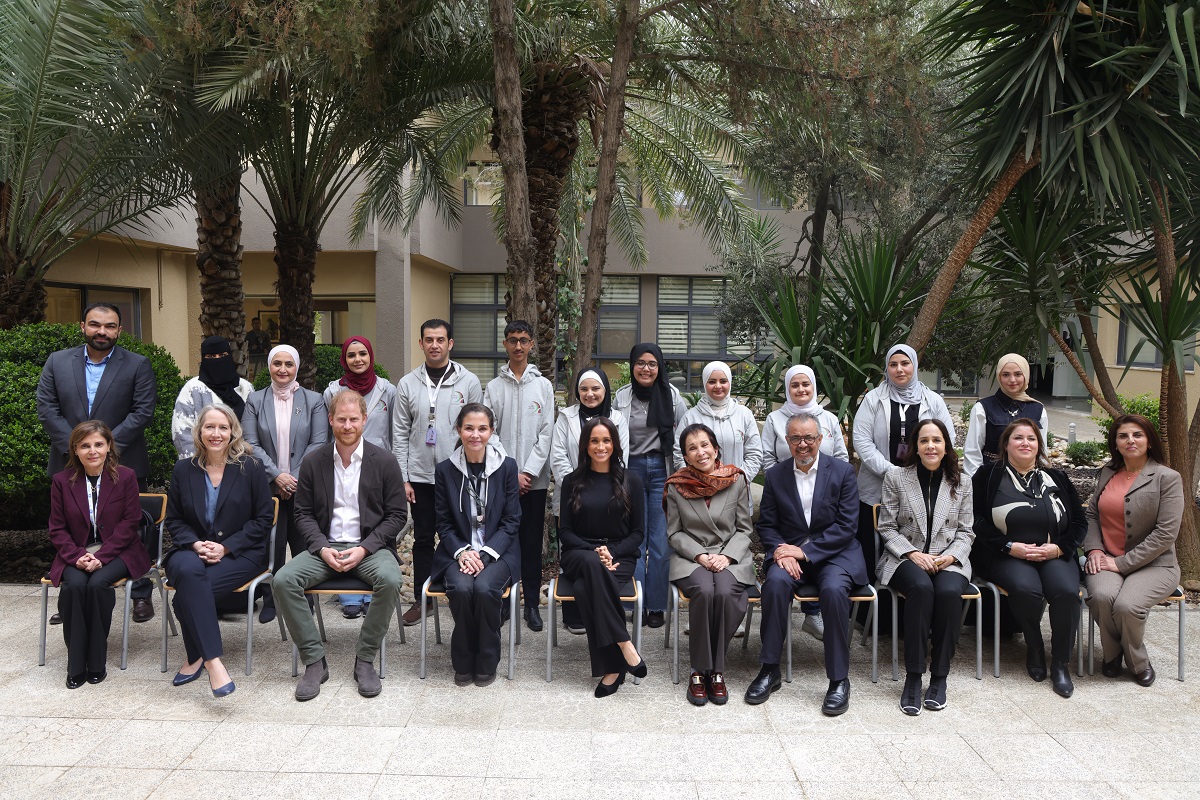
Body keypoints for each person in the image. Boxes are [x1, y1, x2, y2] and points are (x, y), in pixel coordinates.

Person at [277, 389, 407, 701]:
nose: (347, 426)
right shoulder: (313, 462)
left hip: (369, 546)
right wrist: (321, 547)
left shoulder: (385, 461)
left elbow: (397, 515)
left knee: (390, 580)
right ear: (331, 420)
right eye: (341, 419)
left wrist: (365, 548)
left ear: (364, 419)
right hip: (325, 546)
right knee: (283, 580)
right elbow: (303, 513)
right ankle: (314, 660)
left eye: (353, 419)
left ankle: (365, 659)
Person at [37, 302, 157, 624]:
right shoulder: (57, 362)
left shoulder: (137, 364)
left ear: (119, 330)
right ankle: (72, 598)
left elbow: (142, 411)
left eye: (109, 326)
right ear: (82, 326)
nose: (101, 331)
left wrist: (107, 450)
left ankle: (140, 593)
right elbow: (47, 408)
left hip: (125, 463)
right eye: (95, 325)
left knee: (133, 530)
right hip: (69, 462)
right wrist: (79, 448)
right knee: (72, 527)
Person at [746, 412, 868, 716]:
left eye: (809, 438)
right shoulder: (775, 475)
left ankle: (839, 679)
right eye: (796, 438)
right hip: (788, 555)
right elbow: (768, 525)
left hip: (835, 555)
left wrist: (804, 552)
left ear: (820, 439)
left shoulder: (842, 472)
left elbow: (846, 526)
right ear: (787, 441)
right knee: (773, 584)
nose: (803, 444)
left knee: (834, 591)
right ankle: (769, 669)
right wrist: (780, 551)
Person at [164, 405, 273, 697]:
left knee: (187, 595)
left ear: (232, 432)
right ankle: (214, 663)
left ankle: (196, 655)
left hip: (241, 552)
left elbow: (263, 519)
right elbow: (174, 519)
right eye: (209, 427)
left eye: (222, 427)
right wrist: (196, 544)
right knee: (188, 572)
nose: (216, 434)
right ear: (199, 431)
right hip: (191, 549)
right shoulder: (184, 469)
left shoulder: (250, 468)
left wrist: (226, 547)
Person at [972, 418, 1086, 698]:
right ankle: (1034, 647)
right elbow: (974, 520)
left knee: (1066, 592)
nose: (1025, 443)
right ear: (1006, 444)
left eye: (1031, 439)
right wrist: (1009, 545)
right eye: (1018, 438)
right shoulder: (987, 476)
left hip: (1053, 553)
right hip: (1006, 554)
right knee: (1027, 589)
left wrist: (1059, 548)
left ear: (1039, 445)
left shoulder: (1056, 477)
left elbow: (1080, 522)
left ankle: (1060, 663)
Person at [877, 419, 974, 714]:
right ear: (915, 447)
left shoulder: (963, 481)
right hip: (905, 557)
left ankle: (940, 678)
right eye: (924, 441)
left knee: (947, 593)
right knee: (920, 587)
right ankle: (914, 677)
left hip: (949, 558)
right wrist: (912, 554)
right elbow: (886, 527)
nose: (930, 446)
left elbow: (966, 531)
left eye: (937, 440)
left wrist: (951, 556)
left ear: (946, 446)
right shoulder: (896, 477)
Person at [47, 421, 152, 688]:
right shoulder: (62, 481)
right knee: (73, 587)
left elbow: (130, 523)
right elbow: (57, 528)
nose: (92, 451)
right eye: (85, 445)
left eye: (98, 444)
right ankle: (75, 663)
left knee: (96, 585)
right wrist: (77, 556)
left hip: (118, 550)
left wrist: (102, 556)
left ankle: (96, 660)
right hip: (76, 552)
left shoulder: (125, 476)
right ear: (75, 449)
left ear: (108, 447)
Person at [393, 319, 482, 625]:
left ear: (450, 343)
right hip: (419, 477)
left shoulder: (468, 381)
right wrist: (403, 477)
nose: (434, 345)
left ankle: (460, 593)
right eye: (428, 340)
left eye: (440, 340)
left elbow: (475, 430)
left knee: (460, 535)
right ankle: (422, 600)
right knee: (422, 538)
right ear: (421, 344)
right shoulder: (408, 383)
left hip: (457, 474)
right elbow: (400, 433)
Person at [1083, 414, 1183, 688]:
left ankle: (1137, 661)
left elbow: (1166, 533)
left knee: (1127, 606)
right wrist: (1093, 550)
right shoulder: (1107, 473)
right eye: (1123, 436)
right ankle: (1112, 656)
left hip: (1156, 566)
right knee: (1102, 596)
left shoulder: (1168, 478)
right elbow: (1092, 515)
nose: (1130, 441)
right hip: (1105, 559)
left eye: (1137, 435)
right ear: (1115, 443)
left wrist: (1122, 563)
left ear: (1149, 440)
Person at [665, 423, 755, 706]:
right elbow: (674, 533)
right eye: (692, 448)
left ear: (716, 449)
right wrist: (700, 556)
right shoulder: (677, 486)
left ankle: (715, 670)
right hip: (692, 558)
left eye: (705, 445)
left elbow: (744, 529)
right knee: (704, 591)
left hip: (730, 555)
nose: (700, 452)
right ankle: (699, 671)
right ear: (685, 456)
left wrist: (727, 556)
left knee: (727, 593)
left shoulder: (736, 480)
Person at [432, 404, 521, 686]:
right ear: (459, 430)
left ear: (491, 431)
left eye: (482, 428)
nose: (475, 435)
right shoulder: (445, 470)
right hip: (458, 551)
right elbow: (443, 523)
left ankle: (486, 658)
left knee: (484, 589)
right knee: (460, 588)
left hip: (498, 551)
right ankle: (463, 657)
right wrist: (463, 552)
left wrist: (483, 554)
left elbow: (511, 520)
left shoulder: (506, 467)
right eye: (469, 428)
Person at [558, 417, 648, 697]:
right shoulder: (571, 481)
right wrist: (596, 552)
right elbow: (565, 531)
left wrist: (613, 551)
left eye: (606, 440)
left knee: (587, 588)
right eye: (594, 441)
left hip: (619, 556)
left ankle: (613, 669)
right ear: (585, 445)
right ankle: (624, 642)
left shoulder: (630, 479)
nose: (600, 446)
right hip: (579, 554)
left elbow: (638, 533)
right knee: (591, 567)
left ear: (615, 444)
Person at [852, 344, 956, 581]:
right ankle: (871, 615)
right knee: (873, 550)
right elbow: (862, 441)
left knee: (913, 550)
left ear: (914, 366)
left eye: (905, 363)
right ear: (886, 369)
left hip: (924, 488)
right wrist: (894, 473)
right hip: (876, 489)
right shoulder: (873, 399)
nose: (899, 369)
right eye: (893, 364)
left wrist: (914, 476)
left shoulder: (933, 400)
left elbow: (945, 440)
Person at [241, 344, 328, 623]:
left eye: (288, 364)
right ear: (269, 366)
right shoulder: (255, 400)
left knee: (304, 543)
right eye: (277, 363)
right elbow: (250, 442)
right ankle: (271, 598)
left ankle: (306, 597)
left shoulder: (314, 400)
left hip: (304, 486)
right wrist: (277, 475)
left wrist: (294, 478)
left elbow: (318, 443)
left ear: (297, 367)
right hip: (267, 486)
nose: (283, 369)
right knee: (270, 543)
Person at [760, 363, 846, 641]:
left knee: (821, 561)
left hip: (825, 498)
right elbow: (766, 458)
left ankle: (814, 614)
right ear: (787, 389)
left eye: (805, 384)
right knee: (780, 575)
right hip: (787, 498)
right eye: (794, 385)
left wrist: (831, 483)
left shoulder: (829, 419)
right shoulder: (775, 419)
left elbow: (842, 458)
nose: (800, 389)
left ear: (814, 387)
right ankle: (771, 657)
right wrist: (785, 481)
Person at [483, 321, 554, 632]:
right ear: (504, 343)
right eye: (513, 340)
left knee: (530, 543)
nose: (518, 346)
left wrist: (528, 472)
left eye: (524, 340)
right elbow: (489, 432)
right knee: (501, 541)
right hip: (501, 480)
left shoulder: (544, 387)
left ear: (532, 344)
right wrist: (512, 472)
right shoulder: (494, 387)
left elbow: (547, 434)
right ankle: (502, 602)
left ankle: (531, 607)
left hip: (534, 483)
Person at [612, 342, 687, 629]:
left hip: (662, 470)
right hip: (631, 470)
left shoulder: (673, 397)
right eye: (641, 363)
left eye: (652, 363)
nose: (646, 369)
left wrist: (680, 475)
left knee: (658, 542)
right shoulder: (621, 397)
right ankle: (635, 602)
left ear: (660, 367)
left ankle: (655, 606)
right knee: (635, 538)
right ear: (632, 366)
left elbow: (683, 438)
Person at [550, 366, 629, 634]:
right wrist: (578, 485)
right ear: (577, 392)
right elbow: (558, 456)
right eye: (584, 389)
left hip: (610, 496)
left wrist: (601, 488)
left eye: (595, 388)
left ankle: (598, 612)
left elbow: (621, 457)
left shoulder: (617, 418)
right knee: (572, 547)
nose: (590, 393)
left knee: (605, 549)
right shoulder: (566, 417)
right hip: (572, 494)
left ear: (605, 390)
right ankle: (574, 615)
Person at [323, 336, 396, 619]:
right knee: (344, 525)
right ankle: (350, 596)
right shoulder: (332, 392)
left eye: (363, 354)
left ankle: (370, 593)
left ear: (371, 356)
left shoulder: (387, 390)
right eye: (351, 355)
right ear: (344, 358)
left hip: (378, 468)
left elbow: (394, 430)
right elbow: (325, 432)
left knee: (373, 525)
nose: (358, 360)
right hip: (343, 464)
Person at [963, 354, 1049, 476]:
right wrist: (977, 482)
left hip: (1027, 478)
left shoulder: (1038, 409)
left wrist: (1040, 479)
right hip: (992, 476)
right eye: (1006, 375)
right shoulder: (983, 407)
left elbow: (1042, 451)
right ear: (999, 376)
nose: (1012, 380)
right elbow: (973, 451)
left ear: (1026, 375)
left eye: (1018, 374)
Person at [173, 336, 254, 459]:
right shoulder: (193, 388)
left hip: (243, 465)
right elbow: (182, 433)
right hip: (203, 467)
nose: (217, 360)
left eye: (222, 355)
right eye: (210, 357)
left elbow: (254, 431)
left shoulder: (245, 387)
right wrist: (200, 466)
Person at [680, 361, 762, 479]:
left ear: (730, 382)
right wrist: (698, 483)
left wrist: (738, 481)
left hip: (737, 490)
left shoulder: (744, 414)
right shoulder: (690, 417)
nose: (718, 386)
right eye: (712, 381)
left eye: (723, 381)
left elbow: (754, 454)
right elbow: (680, 454)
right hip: (701, 491)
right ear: (704, 383)